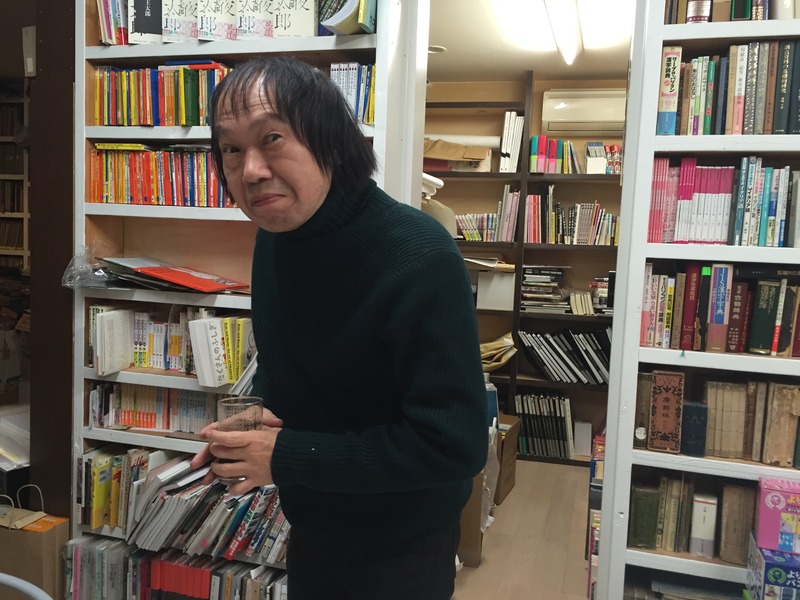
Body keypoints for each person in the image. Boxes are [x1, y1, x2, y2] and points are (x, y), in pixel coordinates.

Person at [190, 56, 488, 600]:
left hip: (403, 546)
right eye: (231, 149)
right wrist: (254, 427)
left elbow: (454, 446)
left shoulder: (419, 256)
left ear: (331, 142)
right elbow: (306, 377)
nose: (250, 170)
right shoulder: (276, 238)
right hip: (313, 525)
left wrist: (283, 456)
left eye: (271, 138)